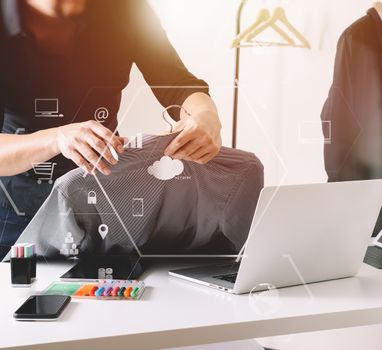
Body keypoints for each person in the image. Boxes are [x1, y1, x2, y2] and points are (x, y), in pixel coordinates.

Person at [0, 0, 222, 258]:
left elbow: (177, 83)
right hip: (17, 217)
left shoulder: (127, 9)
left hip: (103, 206)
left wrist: (206, 114)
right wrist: (57, 139)